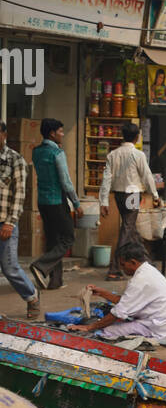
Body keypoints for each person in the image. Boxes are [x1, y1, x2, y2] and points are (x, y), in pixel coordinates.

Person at [68, 239, 166, 347]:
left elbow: (119, 312)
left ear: (133, 262)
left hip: (164, 327)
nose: (122, 269)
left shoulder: (140, 281)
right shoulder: (148, 270)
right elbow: (127, 302)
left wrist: (89, 327)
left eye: (123, 265)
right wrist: (102, 293)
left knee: (107, 331)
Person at [98, 122, 160, 281]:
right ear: (137, 137)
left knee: (130, 228)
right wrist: (155, 195)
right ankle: (114, 268)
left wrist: (103, 201)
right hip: (132, 195)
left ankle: (146, 262)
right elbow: (147, 176)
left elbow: (106, 179)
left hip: (119, 195)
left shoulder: (113, 154)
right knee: (127, 228)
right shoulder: (138, 155)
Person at [30, 118, 82, 292]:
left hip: (43, 202)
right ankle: (40, 265)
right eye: (60, 131)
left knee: (53, 241)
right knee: (68, 238)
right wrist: (76, 203)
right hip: (57, 201)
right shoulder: (57, 153)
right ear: (52, 133)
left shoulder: (36, 152)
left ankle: (56, 281)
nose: (62, 134)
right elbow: (66, 182)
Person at [0, 121, 39, 319]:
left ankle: (32, 297)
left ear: (4, 134)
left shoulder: (15, 160)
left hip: (5, 222)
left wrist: (10, 222)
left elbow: (20, 195)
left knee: (10, 267)